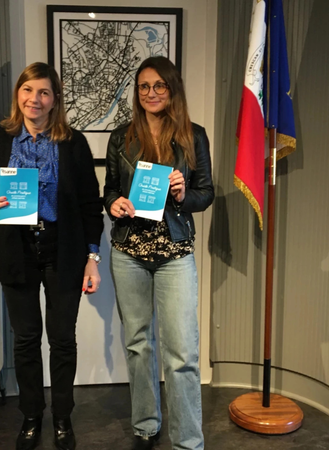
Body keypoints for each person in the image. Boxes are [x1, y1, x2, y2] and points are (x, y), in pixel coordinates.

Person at [0, 62, 103, 450]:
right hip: (17, 251)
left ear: (55, 99)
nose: (35, 99)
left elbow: (90, 205)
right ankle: (31, 416)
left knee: (62, 340)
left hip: (63, 251)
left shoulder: (73, 143)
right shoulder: (1, 138)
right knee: (26, 340)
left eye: (44, 92)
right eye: (28, 90)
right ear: (19, 94)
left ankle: (63, 417)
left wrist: (92, 258)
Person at [104, 56, 214, 450]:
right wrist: (114, 203)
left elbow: (206, 193)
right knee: (138, 345)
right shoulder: (121, 137)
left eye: (159, 85)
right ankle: (146, 427)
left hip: (174, 252)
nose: (151, 93)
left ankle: (188, 441)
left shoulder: (193, 136)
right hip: (129, 251)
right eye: (144, 86)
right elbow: (110, 189)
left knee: (181, 353)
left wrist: (184, 195)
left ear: (172, 89)